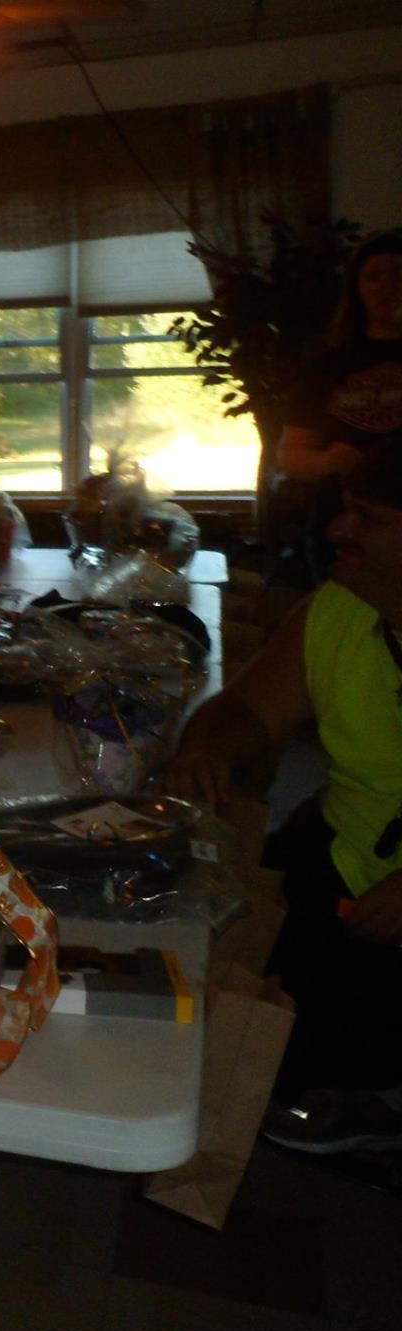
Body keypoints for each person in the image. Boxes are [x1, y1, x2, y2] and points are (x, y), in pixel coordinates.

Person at [165, 439, 402, 1150]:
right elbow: (245, 710)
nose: (337, 529)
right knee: (205, 965)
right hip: (340, 850)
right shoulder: (336, 612)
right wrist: (208, 748)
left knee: (295, 1047)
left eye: (367, 517)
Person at [279, 229, 402, 580]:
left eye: (398, 274)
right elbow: (289, 456)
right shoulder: (328, 365)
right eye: (373, 276)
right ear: (357, 288)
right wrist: (326, 461)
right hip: (345, 527)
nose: (387, 286)